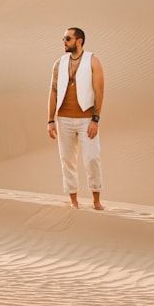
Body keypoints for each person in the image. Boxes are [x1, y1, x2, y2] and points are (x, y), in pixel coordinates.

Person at [47, 27, 105, 210]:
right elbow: (53, 92)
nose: (64, 41)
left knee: (92, 158)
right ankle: (73, 200)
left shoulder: (93, 60)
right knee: (67, 160)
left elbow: (99, 91)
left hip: (86, 119)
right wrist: (50, 121)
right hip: (63, 119)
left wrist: (95, 119)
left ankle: (96, 200)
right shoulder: (59, 63)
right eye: (63, 38)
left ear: (79, 40)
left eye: (67, 38)